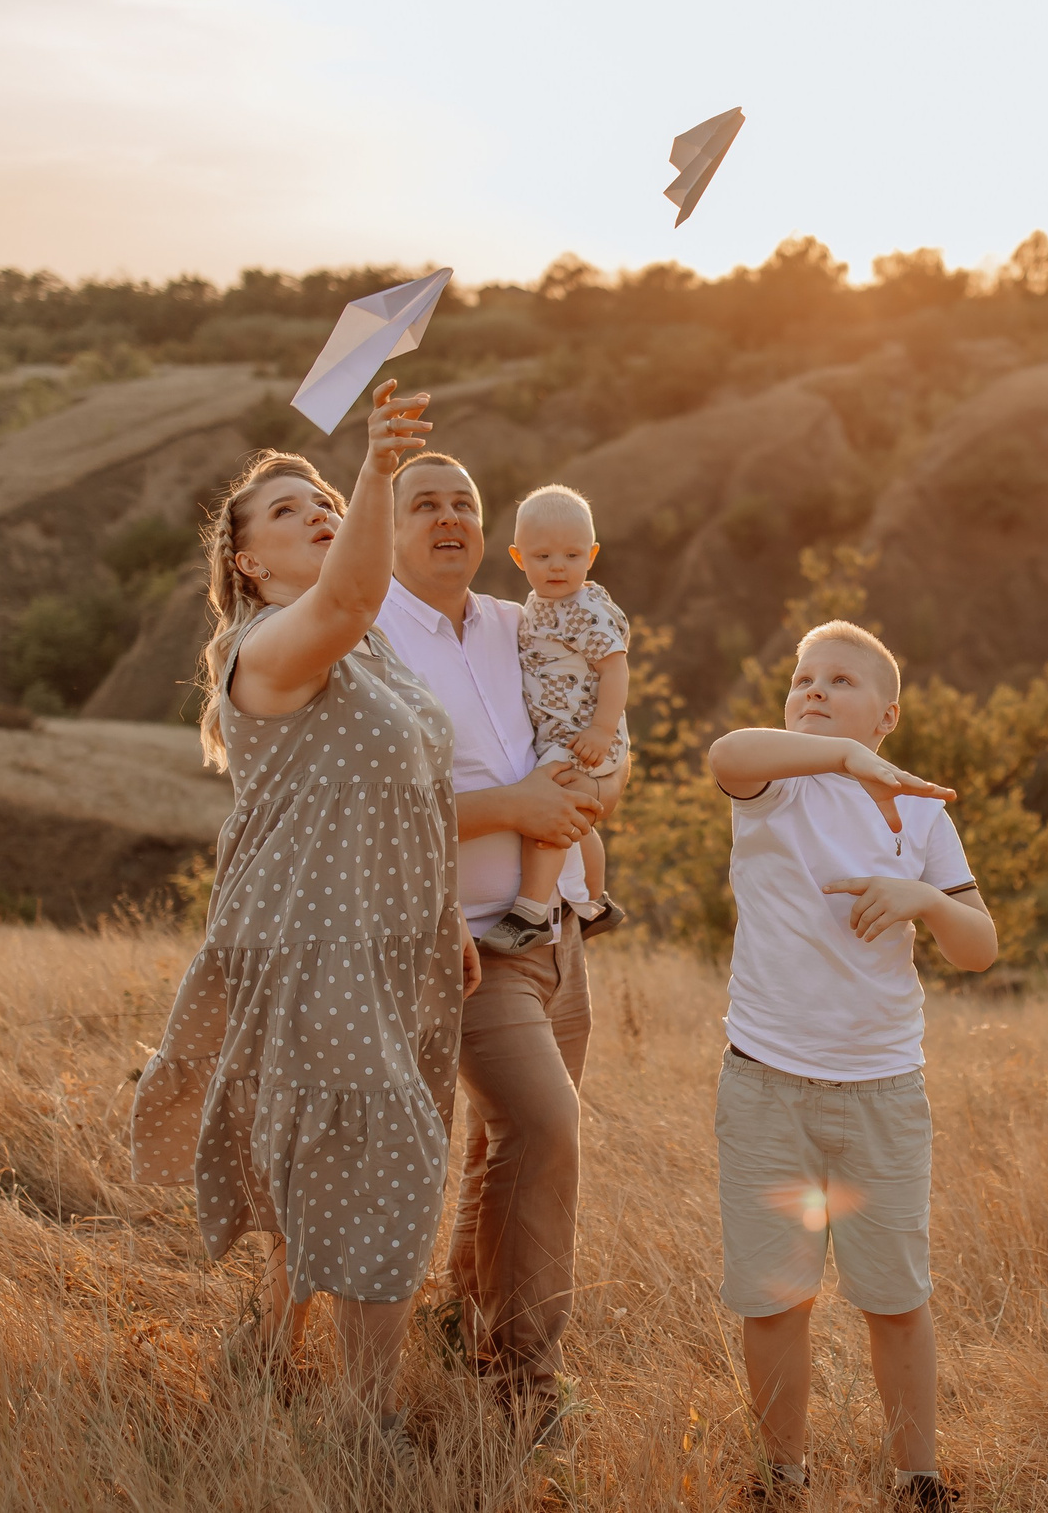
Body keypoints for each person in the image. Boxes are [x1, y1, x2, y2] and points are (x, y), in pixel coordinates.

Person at [130, 384, 476, 1444]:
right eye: (287, 510)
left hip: (391, 945)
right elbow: (348, 599)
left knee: (335, 1160)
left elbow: (420, 790)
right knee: (385, 1160)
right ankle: (369, 1422)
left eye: (322, 495)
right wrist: (373, 471)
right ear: (244, 560)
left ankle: (262, 1361)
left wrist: (446, 918)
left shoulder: (371, 658)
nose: (315, 510)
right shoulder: (273, 646)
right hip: (309, 944)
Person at [704, 619, 998, 1508]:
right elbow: (725, 750)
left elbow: (979, 945)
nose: (814, 691)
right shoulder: (776, 787)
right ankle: (779, 1476)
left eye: (840, 681)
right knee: (774, 1296)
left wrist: (921, 900)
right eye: (802, 679)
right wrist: (835, 761)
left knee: (895, 1296)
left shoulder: (923, 813)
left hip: (881, 1090)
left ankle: (918, 1478)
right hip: (767, 1085)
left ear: (888, 716)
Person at [371, 452, 623, 1422]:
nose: (446, 517)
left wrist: (594, 790)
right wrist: (516, 804)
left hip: (554, 929)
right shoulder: (373, 639)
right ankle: (523, 1383)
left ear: (489, 533)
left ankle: (461, 1321)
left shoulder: (522, 623)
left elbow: (603, 733)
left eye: (462, 503)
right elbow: (377, 810)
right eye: (422, 503)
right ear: (388, 531)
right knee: (544, 1128)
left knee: (499, 1144)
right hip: (466, 941)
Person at [477, 483, 631, 954]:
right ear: (519, 558)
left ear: (592, 554)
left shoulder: (586, 610)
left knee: (541, 808)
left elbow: (615, 667)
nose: (558, 566)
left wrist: (602, 730)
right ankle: (597, 901)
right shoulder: (538, 607)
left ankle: (532, 910)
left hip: (584, 735)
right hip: (560, 736)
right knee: (574, 816)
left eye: (571, 554)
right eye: (542, 556)